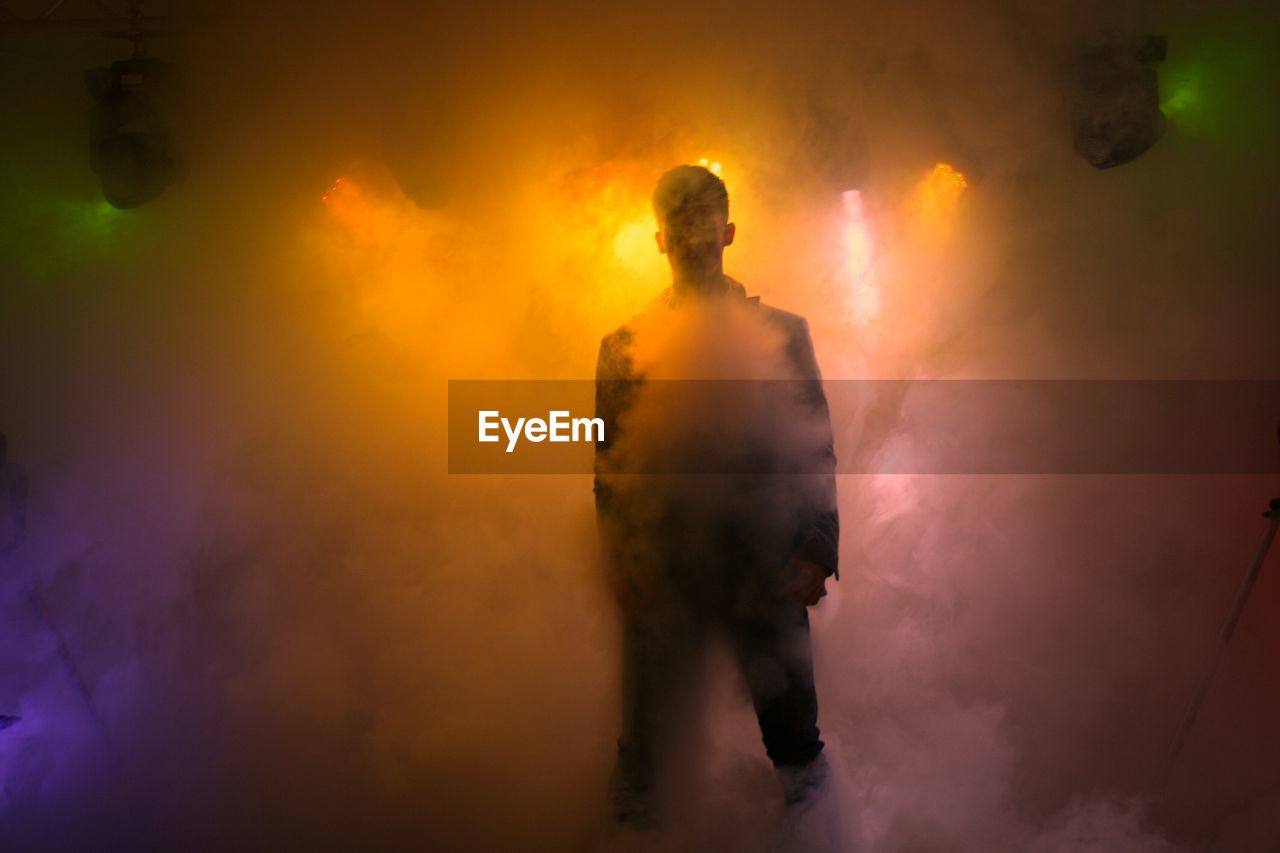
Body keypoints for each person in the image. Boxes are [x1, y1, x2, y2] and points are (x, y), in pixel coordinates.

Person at [593, 165, 840, 835]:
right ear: (659, 239)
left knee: (795, 745)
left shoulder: (784, 334)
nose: (695, 235)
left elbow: (815, 450)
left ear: (730, 231)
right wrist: (624, 564)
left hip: (767, 567)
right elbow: (608, 468)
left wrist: (818, 552)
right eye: (681, 222)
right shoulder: (622, 349)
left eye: (706, 220)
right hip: (665, 570)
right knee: (645, 749)